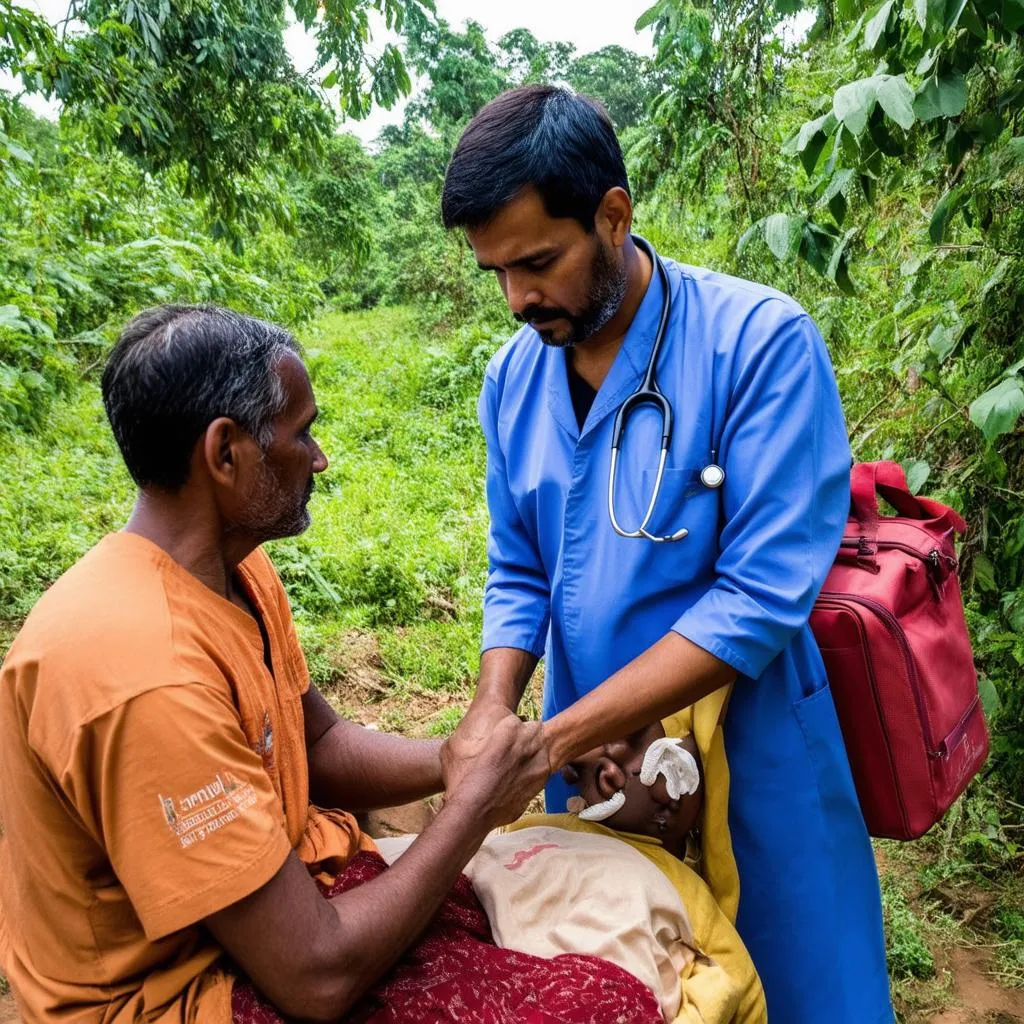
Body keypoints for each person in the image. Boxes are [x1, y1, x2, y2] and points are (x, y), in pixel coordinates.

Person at [0, 305, 662, 1024]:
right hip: (178, 993)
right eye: (302, 432)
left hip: (268, 924)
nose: (318, 458)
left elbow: (312, 745)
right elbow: (315, 980)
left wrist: (466, 757)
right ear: (225, 455)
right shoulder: (143, 675)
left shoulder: (232, 571)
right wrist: (474, 807)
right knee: (605, 1007)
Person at [439, 85, 894, 1022]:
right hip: (595, 760)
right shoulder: (513, 379)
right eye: (497, 272)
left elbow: (761, 598)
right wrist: (496, 712)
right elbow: (518, 567)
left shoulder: (759, 345)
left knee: (807, 982)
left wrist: (551, 740)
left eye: (539, 262)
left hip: (753, 749)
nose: (519, 298)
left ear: (613, 215)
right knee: (632, 979)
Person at [464, 716, 768, 1023]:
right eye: (582, 768)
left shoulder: (680, 884)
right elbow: (477, 857)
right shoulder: (531, 830)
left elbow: (735, 979)